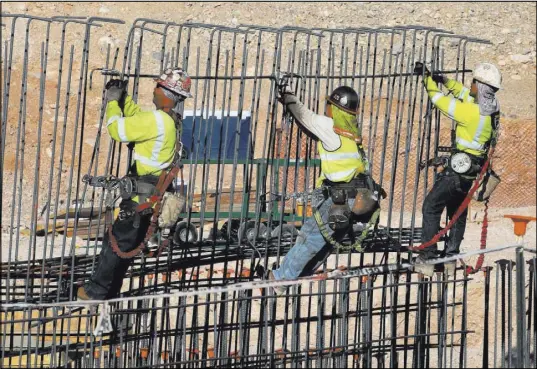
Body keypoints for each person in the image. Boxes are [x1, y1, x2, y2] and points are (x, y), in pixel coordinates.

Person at [77, 67, 193, 300]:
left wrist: (112, 103)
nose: (154, 89)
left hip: (142, 192)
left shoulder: (157, 120)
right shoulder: (169, 120)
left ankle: (95, 292)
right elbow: (137, 117)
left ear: (165, 92)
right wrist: (124, 97)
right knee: (126, 246)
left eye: (158, 86)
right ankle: (110, 291)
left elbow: (116, 130)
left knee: (116, 244)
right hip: (152, 194)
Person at [269, 80, 382, 293]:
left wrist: (288, 97)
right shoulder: (352, 133)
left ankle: (281, 279)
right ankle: (297, 274)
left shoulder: (332, 128)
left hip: (341, 198)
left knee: (310, 237)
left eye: (329, 104)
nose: (327, 108)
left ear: (336, 108)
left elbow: (306, 117)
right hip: (356, 198)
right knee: (327, 242)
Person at [413, 62, 502, 276]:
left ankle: (427, 257)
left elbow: (439, 100)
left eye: (474, 82)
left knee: (431, 207)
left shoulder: (471, 112)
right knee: (457, 213)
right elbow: (463, 93)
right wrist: (444, 80)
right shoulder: (491, 107)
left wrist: (426, 78)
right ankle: (451, 258)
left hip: (457, 171)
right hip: (472, 171)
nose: (470, 85)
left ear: (480, 87)